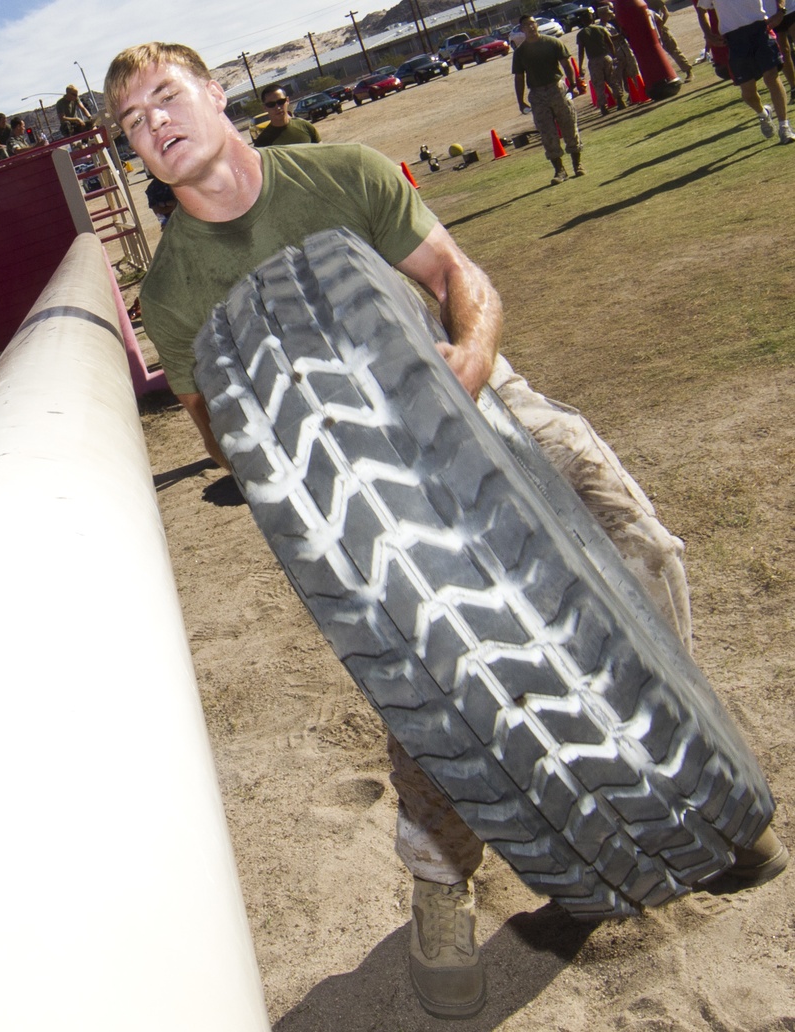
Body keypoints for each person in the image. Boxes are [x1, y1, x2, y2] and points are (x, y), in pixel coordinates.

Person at [103, 40, 788, 1021]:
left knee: (630, 537)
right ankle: (441, 887)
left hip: (465, 397)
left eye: (167, 98)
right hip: (338, 481)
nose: (154, 125)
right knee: (428, 677)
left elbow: (460, 277)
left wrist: (468, 358)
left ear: (216, 96)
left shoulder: (342, 173)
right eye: (132, 123)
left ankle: (681, 767)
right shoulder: (173, 290)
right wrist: (288, 462)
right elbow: (219, 430)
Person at [697, 0, 794, 140]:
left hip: (760, 29)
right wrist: (708, 34)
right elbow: (701, 10)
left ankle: (784, 126)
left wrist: (781, 11)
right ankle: (763, 113)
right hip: (735, 39)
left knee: (771, 76)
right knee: (748, 93)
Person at [512, 14, 585, 184]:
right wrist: (520, 100)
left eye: (532, 23)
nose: (530, 27)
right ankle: (559, 170)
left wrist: (572, 85)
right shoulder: (521, 52)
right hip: (537, 95)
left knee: (569, 124)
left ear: (536, 25)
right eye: (526, 25)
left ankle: (577, 164)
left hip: (556, 88)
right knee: (547, 132)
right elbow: (519, 77)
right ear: (521, 29)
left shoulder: (552, 43)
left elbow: (566, 64)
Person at [576, 11, 628, 111]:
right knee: (613, 80)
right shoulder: (601, 29)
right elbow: (610, 42)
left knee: (598, 83)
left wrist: (580, 66)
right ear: (592, 19)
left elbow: (581, 51)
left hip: (594, 60)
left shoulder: (581, 34)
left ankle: (603, 107)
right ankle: (620, 101)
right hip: (606, 57)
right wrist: (613, 56)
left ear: (582, 21)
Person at [253, 84, 321, 147]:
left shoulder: (305, 126)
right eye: (271, 104)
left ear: (287, 100)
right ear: (265, 108)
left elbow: (321, 153)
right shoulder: (262, 143)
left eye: (281, 102)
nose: (278, 107)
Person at [597, 4, 642, 91]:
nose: (610, 15)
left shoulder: (610, 24)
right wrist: (621, 34)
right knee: (617, 76)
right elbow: (609, 39)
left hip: (623, 51)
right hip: (615, 53)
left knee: (630, 73)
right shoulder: (601, 27)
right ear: (602, 15)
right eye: (608, 14)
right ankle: (619, 95)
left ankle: (635, 91)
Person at [647, 0, 695, 80]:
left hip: (660, 30)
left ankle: (688, 71)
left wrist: (660, 26)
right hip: (650, 33)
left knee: (674, 50)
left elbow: (666, 13)